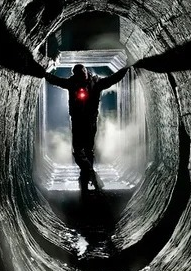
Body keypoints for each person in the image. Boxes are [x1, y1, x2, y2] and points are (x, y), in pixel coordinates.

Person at [44, 63, 130, 193]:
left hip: (90, 122)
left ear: (86, 71)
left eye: (82, 73)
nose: (81, 77)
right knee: (78, 151)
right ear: (75, 75)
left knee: (88, 150)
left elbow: (113, 79)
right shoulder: (72, 83)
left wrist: (125, 69)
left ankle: (84, 180)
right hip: (77, 121)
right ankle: (91, 175)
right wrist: (43, 73)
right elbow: (56, 81)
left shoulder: (96, 82)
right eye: (78, 75)